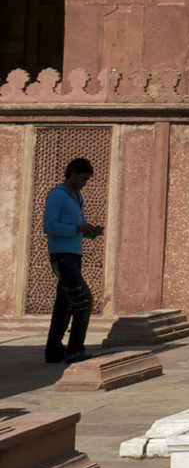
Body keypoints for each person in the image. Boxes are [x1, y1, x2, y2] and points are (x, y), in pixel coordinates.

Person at [42, 156, 101, 365]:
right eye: (83, 179)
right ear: (74, 175)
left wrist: (89, 232)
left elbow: (78, 226)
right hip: (61, 256)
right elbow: (49, 226)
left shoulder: (77, 196)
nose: (85, 183)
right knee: (83, 302)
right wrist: (78, 229)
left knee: (64, 306)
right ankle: (75, 350)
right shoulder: (57, 195)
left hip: (74, 255)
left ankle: (54, 351)